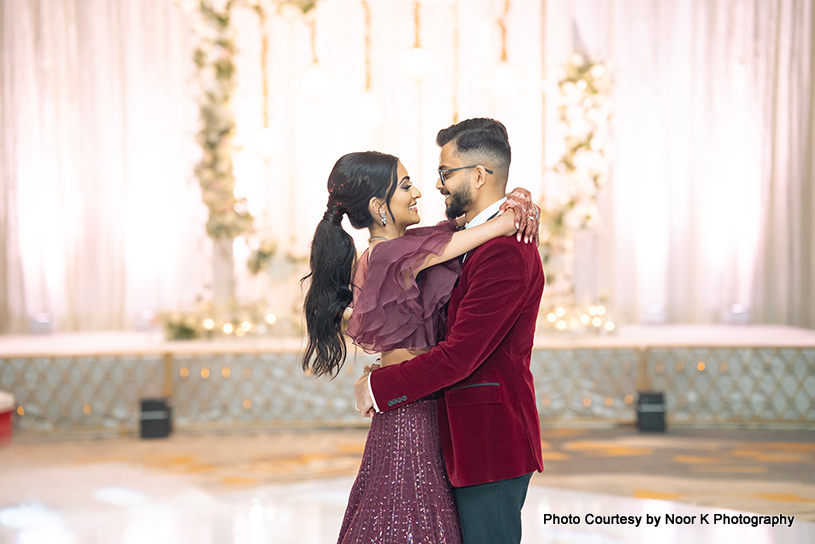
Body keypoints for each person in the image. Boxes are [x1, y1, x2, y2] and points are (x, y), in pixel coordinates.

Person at [301, 150, 539, 544]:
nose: (418, 193)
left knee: (421, 522)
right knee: (407, 521)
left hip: (422, 404)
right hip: (411, 411)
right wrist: (510, 217)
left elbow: (460, 225)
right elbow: (474, 233)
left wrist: (515, 197)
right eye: (406, 185)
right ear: (379, 206)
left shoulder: (411, 244)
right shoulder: (387, 256)